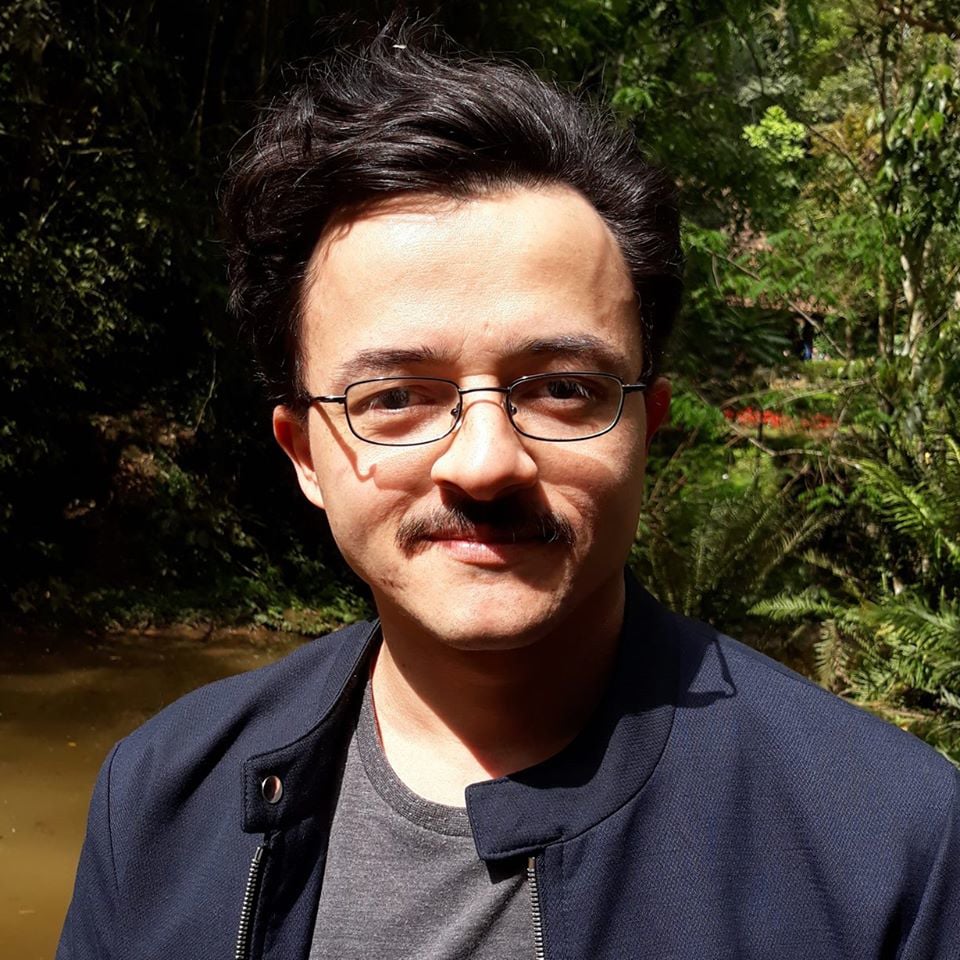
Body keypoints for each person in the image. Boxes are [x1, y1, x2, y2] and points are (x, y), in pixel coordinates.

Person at [58, 22, 958, 960]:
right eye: (395, 398)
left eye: (562, 388)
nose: (486, 463)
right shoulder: (160, 805)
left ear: (647, 427)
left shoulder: (890, 850)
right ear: (304, 454)